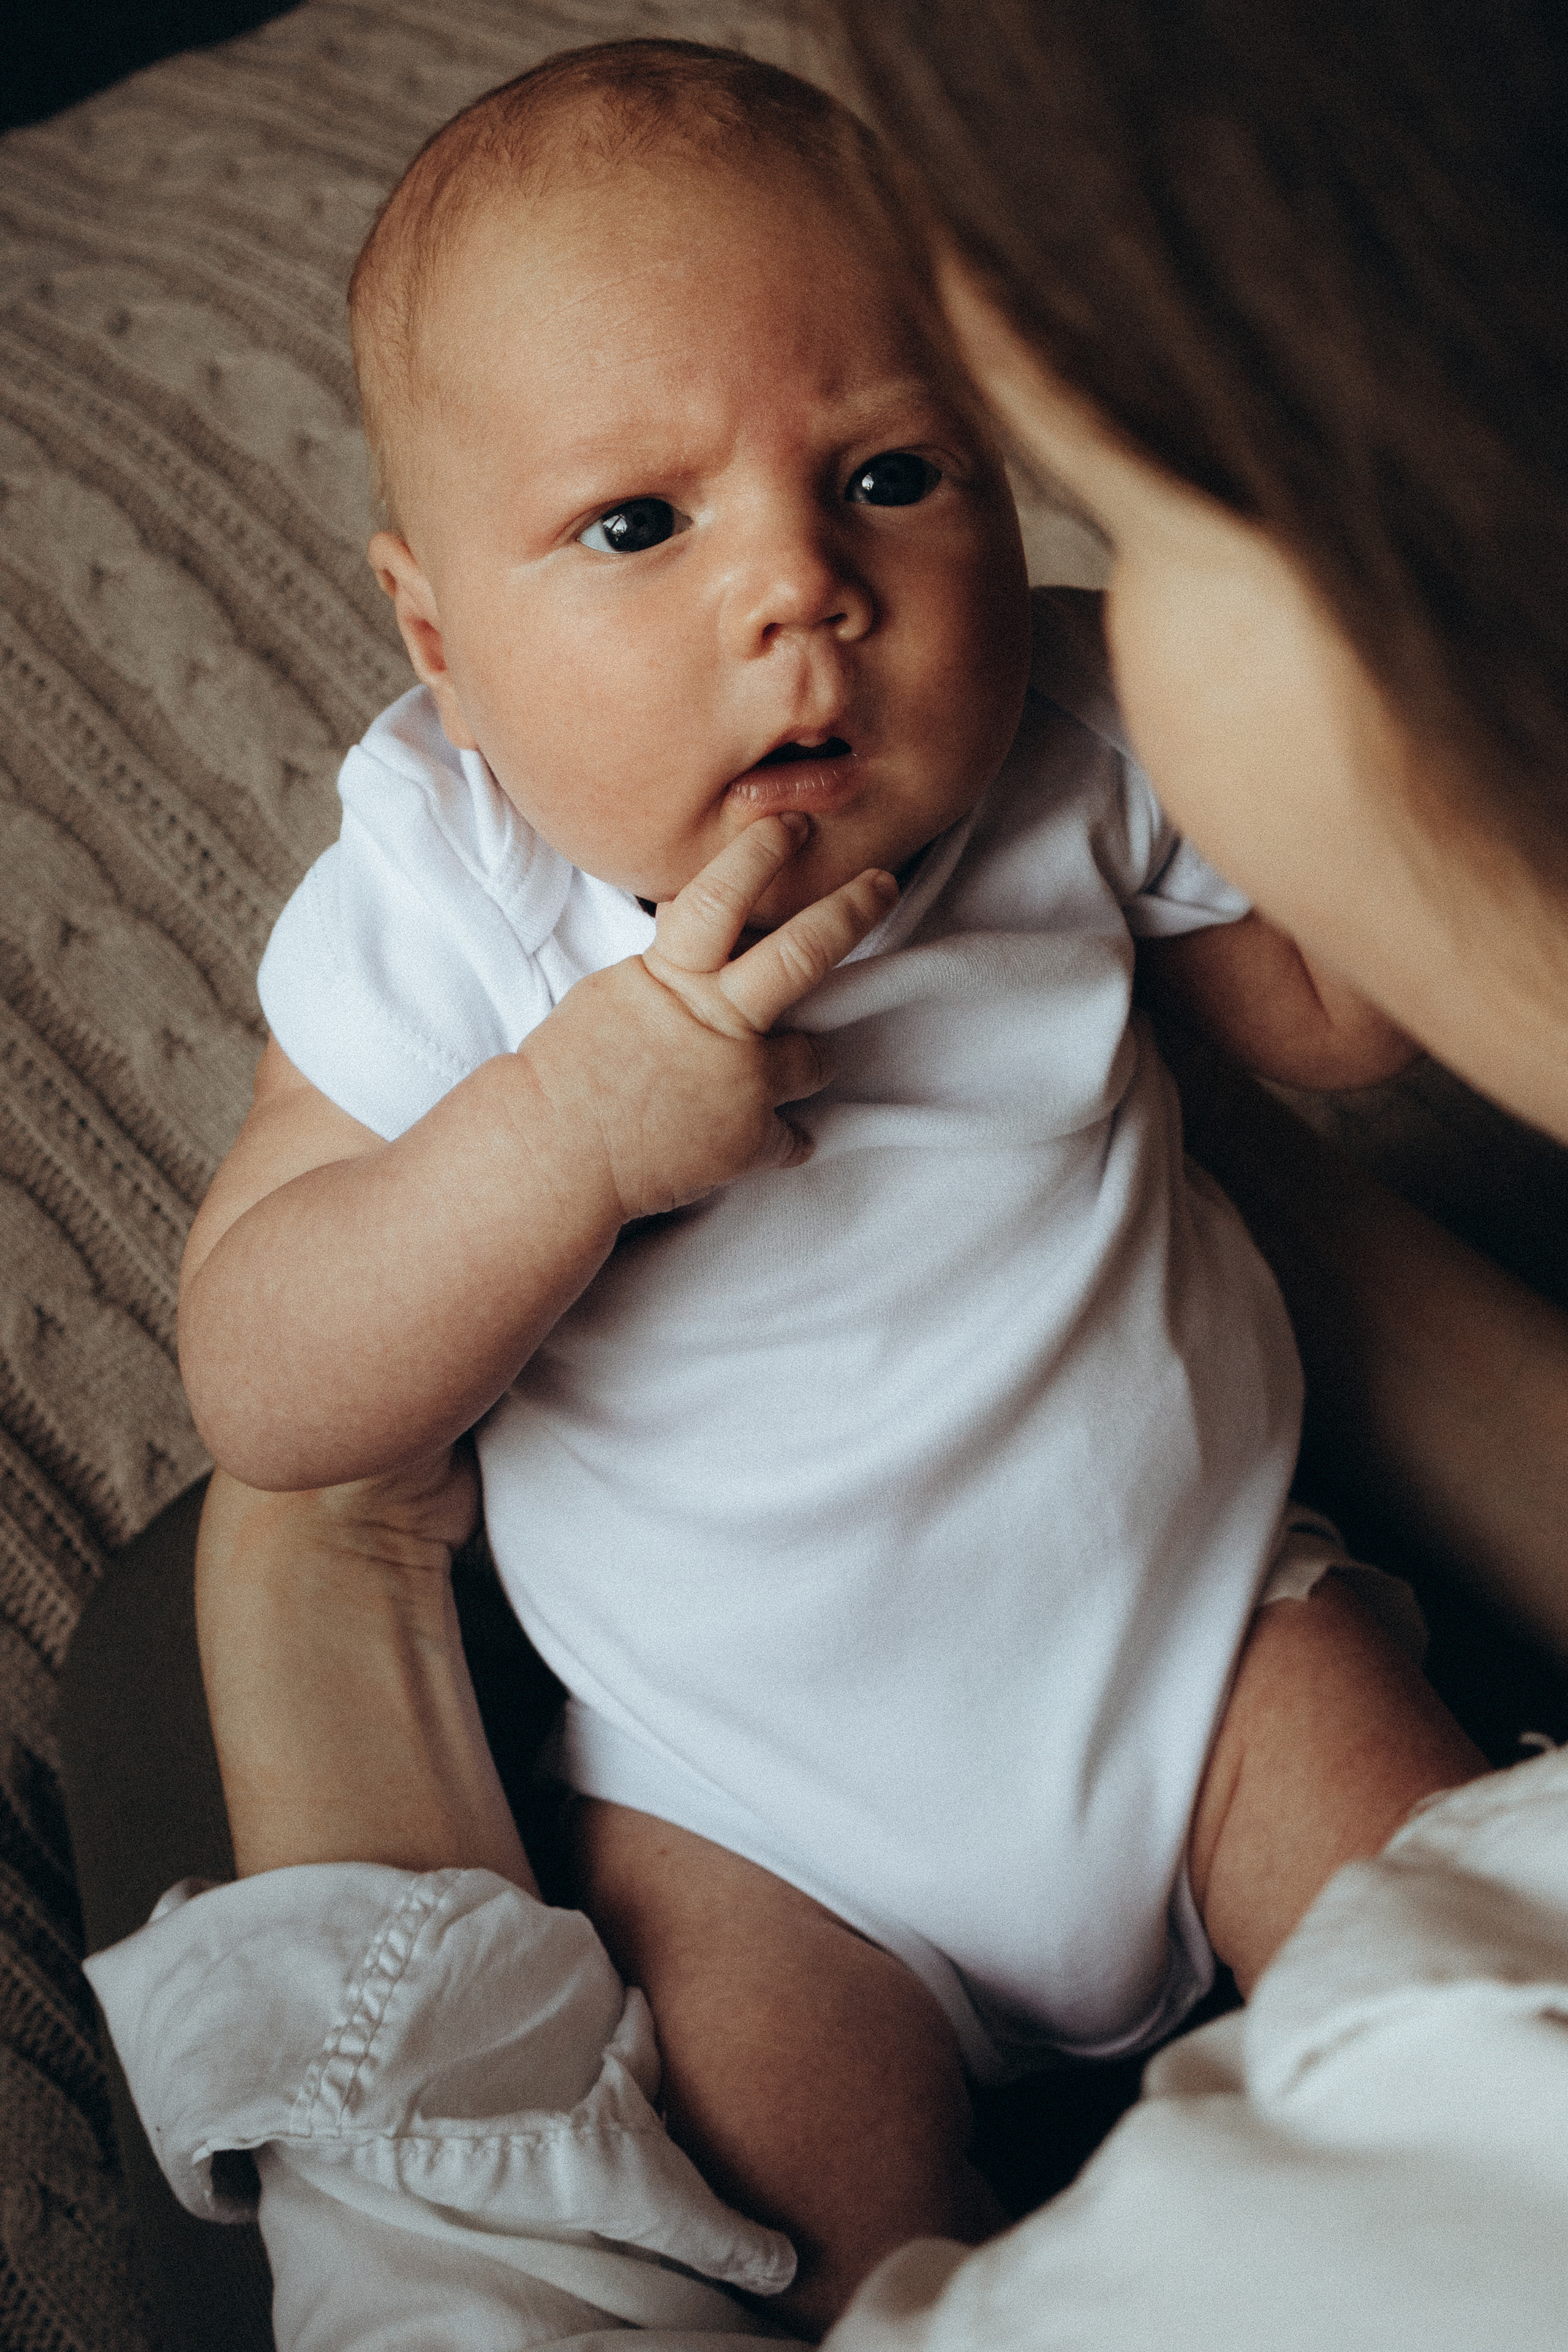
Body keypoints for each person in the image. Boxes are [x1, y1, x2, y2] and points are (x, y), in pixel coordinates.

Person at [67, 8, 1568, 2349]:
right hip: (764, 1812)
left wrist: (1304, 775)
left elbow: (1338, 1017)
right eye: (639, 524)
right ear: (439, 646)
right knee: (823, 2245)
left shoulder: (1072, 729)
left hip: (1205, 1649)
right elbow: (269, 1379)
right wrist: (555, 1140)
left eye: (895, 475)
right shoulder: (451, 890)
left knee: (1458, 1945)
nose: (799, 582)